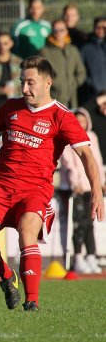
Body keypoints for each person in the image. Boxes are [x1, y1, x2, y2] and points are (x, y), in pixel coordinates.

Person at [0, 56, 104, 311]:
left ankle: (31, 302)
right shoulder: (11, 107)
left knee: (27, 232)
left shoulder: (61, 116)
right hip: (0, 187)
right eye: (22, 82)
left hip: (34, 190)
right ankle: (6, 277)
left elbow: (86, 156)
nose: (25, 89)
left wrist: (97, 192)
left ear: (48, 82)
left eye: (30, 82)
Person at [59, 108, 105, 274]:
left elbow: (96, 160)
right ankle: (77, 257)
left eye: (83, 121)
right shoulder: (67, 137)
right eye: (77, 121)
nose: (81, 124)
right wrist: (74, 183)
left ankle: (91, 256)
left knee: (90, 222)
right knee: (78, 224)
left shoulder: (92, 137)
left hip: (89, 187)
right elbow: (68, 163)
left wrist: (101, 182)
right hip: (75, 188)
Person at [38, 19, 86, 108]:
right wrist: (55, 84)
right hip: (53, 98)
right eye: (55, 30)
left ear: (66, 31)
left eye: (61, 30)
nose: (58, 33)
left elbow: (81, 72)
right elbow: (39, 75)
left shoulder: (73, 50)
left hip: (72, 98)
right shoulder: (44, 52)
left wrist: (74, 83)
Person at [80, 16, 106, 104]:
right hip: (93, 94)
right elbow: (81, 70)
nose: (101, 30)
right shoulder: (86, 48)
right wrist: (90, 83)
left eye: (104, 28)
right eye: (98, 27)